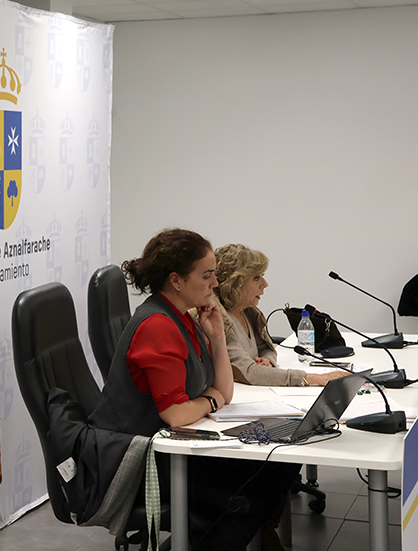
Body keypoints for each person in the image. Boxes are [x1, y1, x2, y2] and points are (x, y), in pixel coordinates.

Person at [89, 228, 297, 550]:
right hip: (139, 463)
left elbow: (224, 390)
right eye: (207, 275)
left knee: (277, 469)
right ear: (176, 280)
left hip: (170, 449)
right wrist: (211, 400)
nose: (215, 283)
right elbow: (175, 413)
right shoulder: (158, 325)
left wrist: (216, 337)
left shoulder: (185, 317)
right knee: (250, 497)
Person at [214, 244, 347, 387]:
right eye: (256, 278)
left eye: (263, 276)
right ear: (235, 283)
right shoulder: (219, 320)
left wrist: (267, 361)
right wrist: (311, 378)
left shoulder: (248, 312)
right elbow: (249, 372)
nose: (265, 284)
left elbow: (266, 348)